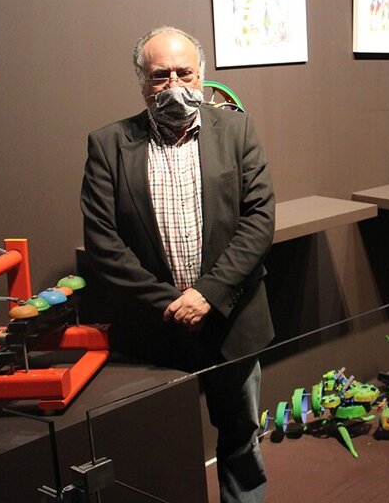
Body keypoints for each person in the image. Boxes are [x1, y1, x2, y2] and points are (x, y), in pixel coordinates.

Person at [81, 26, 274, 502]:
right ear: (141, 82)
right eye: (159, 75)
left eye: (184, 73)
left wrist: (208, 294)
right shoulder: (108, 144)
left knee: (241, 436)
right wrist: (170, 303)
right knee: (161, 448)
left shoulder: (237, 131)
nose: (173, 86)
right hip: (155, 327)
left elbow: (259, 220)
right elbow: (103, 242)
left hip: (232, 319)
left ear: (201, 75)